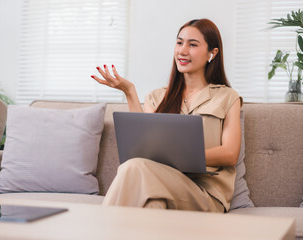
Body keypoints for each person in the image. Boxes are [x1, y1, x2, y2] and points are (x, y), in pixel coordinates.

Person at [91, 18, 242, 213]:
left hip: (205, 194)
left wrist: (182, 157)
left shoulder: (228, 97)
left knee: (133, 167)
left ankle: (98, 227)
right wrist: (129, 91)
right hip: (159, 186)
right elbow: (141, 147)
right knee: (152, 204)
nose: (182, 51)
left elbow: (230, 154)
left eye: (192, 44)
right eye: (179, 42)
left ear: (212, 54)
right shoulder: (156, 97)